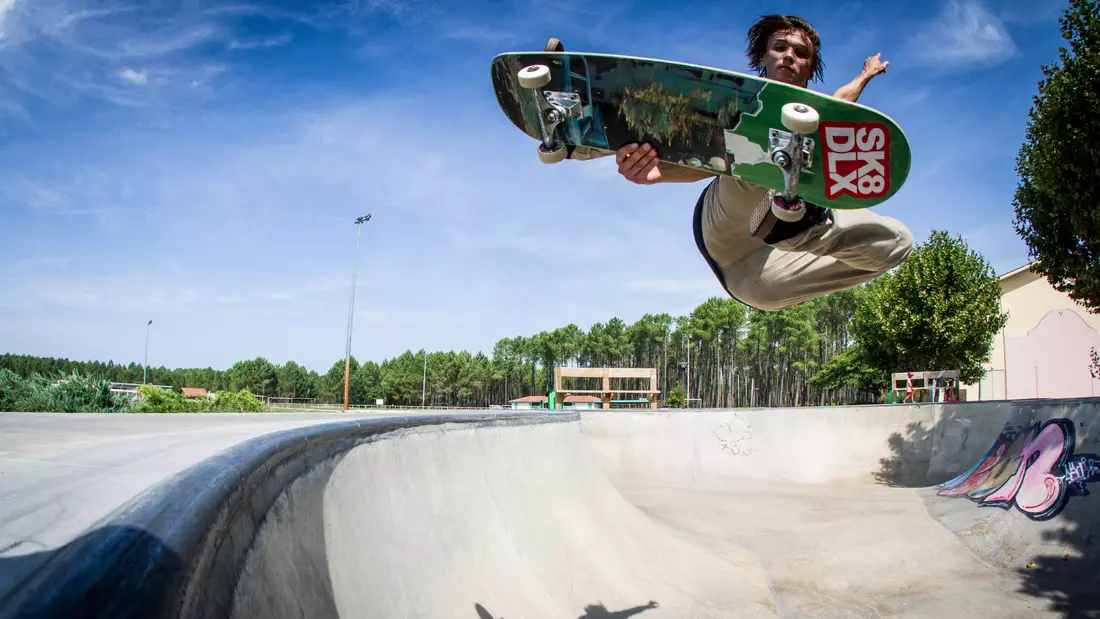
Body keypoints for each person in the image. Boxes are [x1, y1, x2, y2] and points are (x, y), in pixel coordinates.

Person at [568, 14, 913, 310]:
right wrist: (657, 173)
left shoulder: (819, 115)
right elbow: (706, 158)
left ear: (809, 70)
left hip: (763, 282)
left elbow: (840, 102)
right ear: (765, 57)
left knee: (898, 244)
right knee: (766, 147)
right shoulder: (736, 112)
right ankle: (572, 129)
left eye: (800, 53)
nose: (789, 56)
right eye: (780, 47)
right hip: (726, 229)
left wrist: (865, 75)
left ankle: (797, 224)